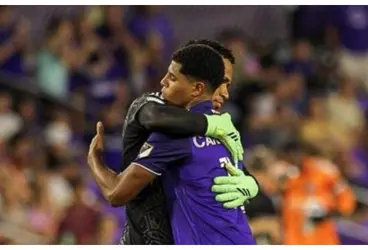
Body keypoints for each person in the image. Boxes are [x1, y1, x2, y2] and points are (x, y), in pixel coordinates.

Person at [88, 40, 259, 244]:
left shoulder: (220, 130)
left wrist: (252, 184)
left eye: (226, 83)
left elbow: (115, 193)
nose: (224, 92)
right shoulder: (209, 126)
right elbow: (152, 115)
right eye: (220, 81)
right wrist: (209, 125)